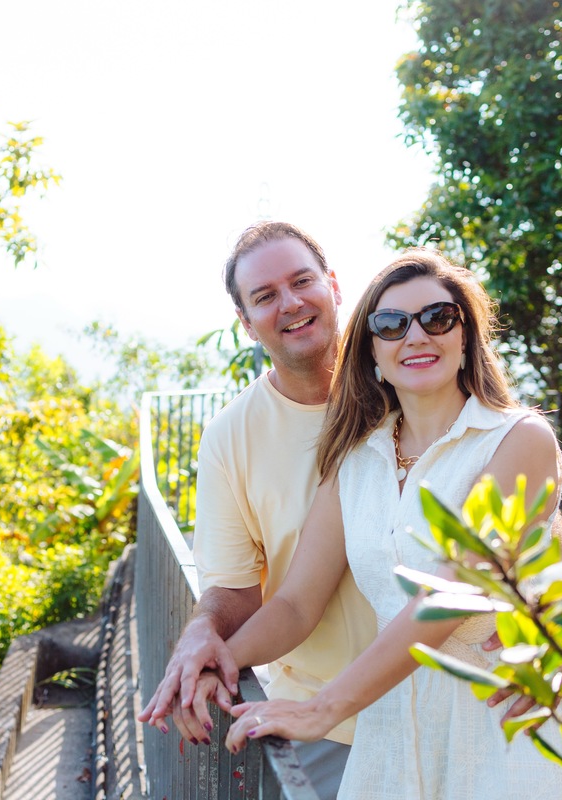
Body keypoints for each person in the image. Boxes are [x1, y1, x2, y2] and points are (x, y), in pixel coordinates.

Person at [216, 249, 562, 798]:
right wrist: (217, 662)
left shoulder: (518, 441)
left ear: (465, 335)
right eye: (391, 324)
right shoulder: (355, 461)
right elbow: (296, 604)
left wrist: (323, 710)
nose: (416, 337)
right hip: (394, 732)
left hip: (502, 725)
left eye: (437, 318)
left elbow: (450, 595)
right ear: (371, 348)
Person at [138, 221, 379, 798]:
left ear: (335, 285)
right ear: (245, 323)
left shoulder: (409, 383)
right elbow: (237, 589)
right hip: (326, 722)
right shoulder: (230, 437)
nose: (291, 303)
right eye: (265, 296)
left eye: (302, 281)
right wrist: (203, 639)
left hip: (450, 695)